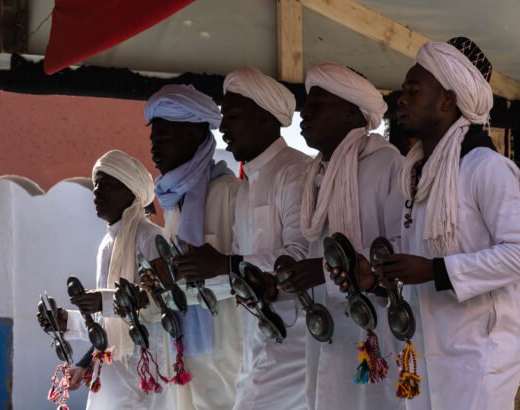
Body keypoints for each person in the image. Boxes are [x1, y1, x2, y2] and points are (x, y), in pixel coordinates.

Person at [347, 37, 520, 410]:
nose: (400, 99)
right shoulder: (414, 176)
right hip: (424, 349)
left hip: (480, 357)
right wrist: (376, 277)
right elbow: (411, 263)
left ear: (449, 101)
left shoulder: (487, 168)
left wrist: (437, 271)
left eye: (413, 90)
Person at [173, 67, 311, 410]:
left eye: (232, 116)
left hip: (296, 341)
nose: (223, 129)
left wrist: (223, 263)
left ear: (265, 120)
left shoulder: (297, 173)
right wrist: (197, 271)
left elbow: (301, 254)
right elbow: (239, 265)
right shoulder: (247, 185)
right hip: (255, 340)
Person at [276, 62, 405, 410]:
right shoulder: (317, 174)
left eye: (317, 104)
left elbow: (400, 250)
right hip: (329, 335)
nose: (306, 113)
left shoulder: (387, 164)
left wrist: (325, 270)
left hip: (378, 332)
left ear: (351, 112)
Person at [39, 150, 172, 409]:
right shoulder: (107, 244)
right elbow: (106, 322)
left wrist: (103, 300)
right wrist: (67, 320)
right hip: (111, 373)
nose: (97, 192)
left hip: (146, 372)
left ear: (132, 193)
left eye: (108, 185)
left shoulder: (151, 238)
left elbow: (163, 303)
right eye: (96, 184)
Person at [144, 84, 242, 410]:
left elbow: (256, 273)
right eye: (153, 140)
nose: (155, 149)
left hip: (229, 349)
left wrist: (187, 276)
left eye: (164, 139)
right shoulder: (175, 203)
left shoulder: (229, 193)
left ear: (196, 137)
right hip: (183, 351)